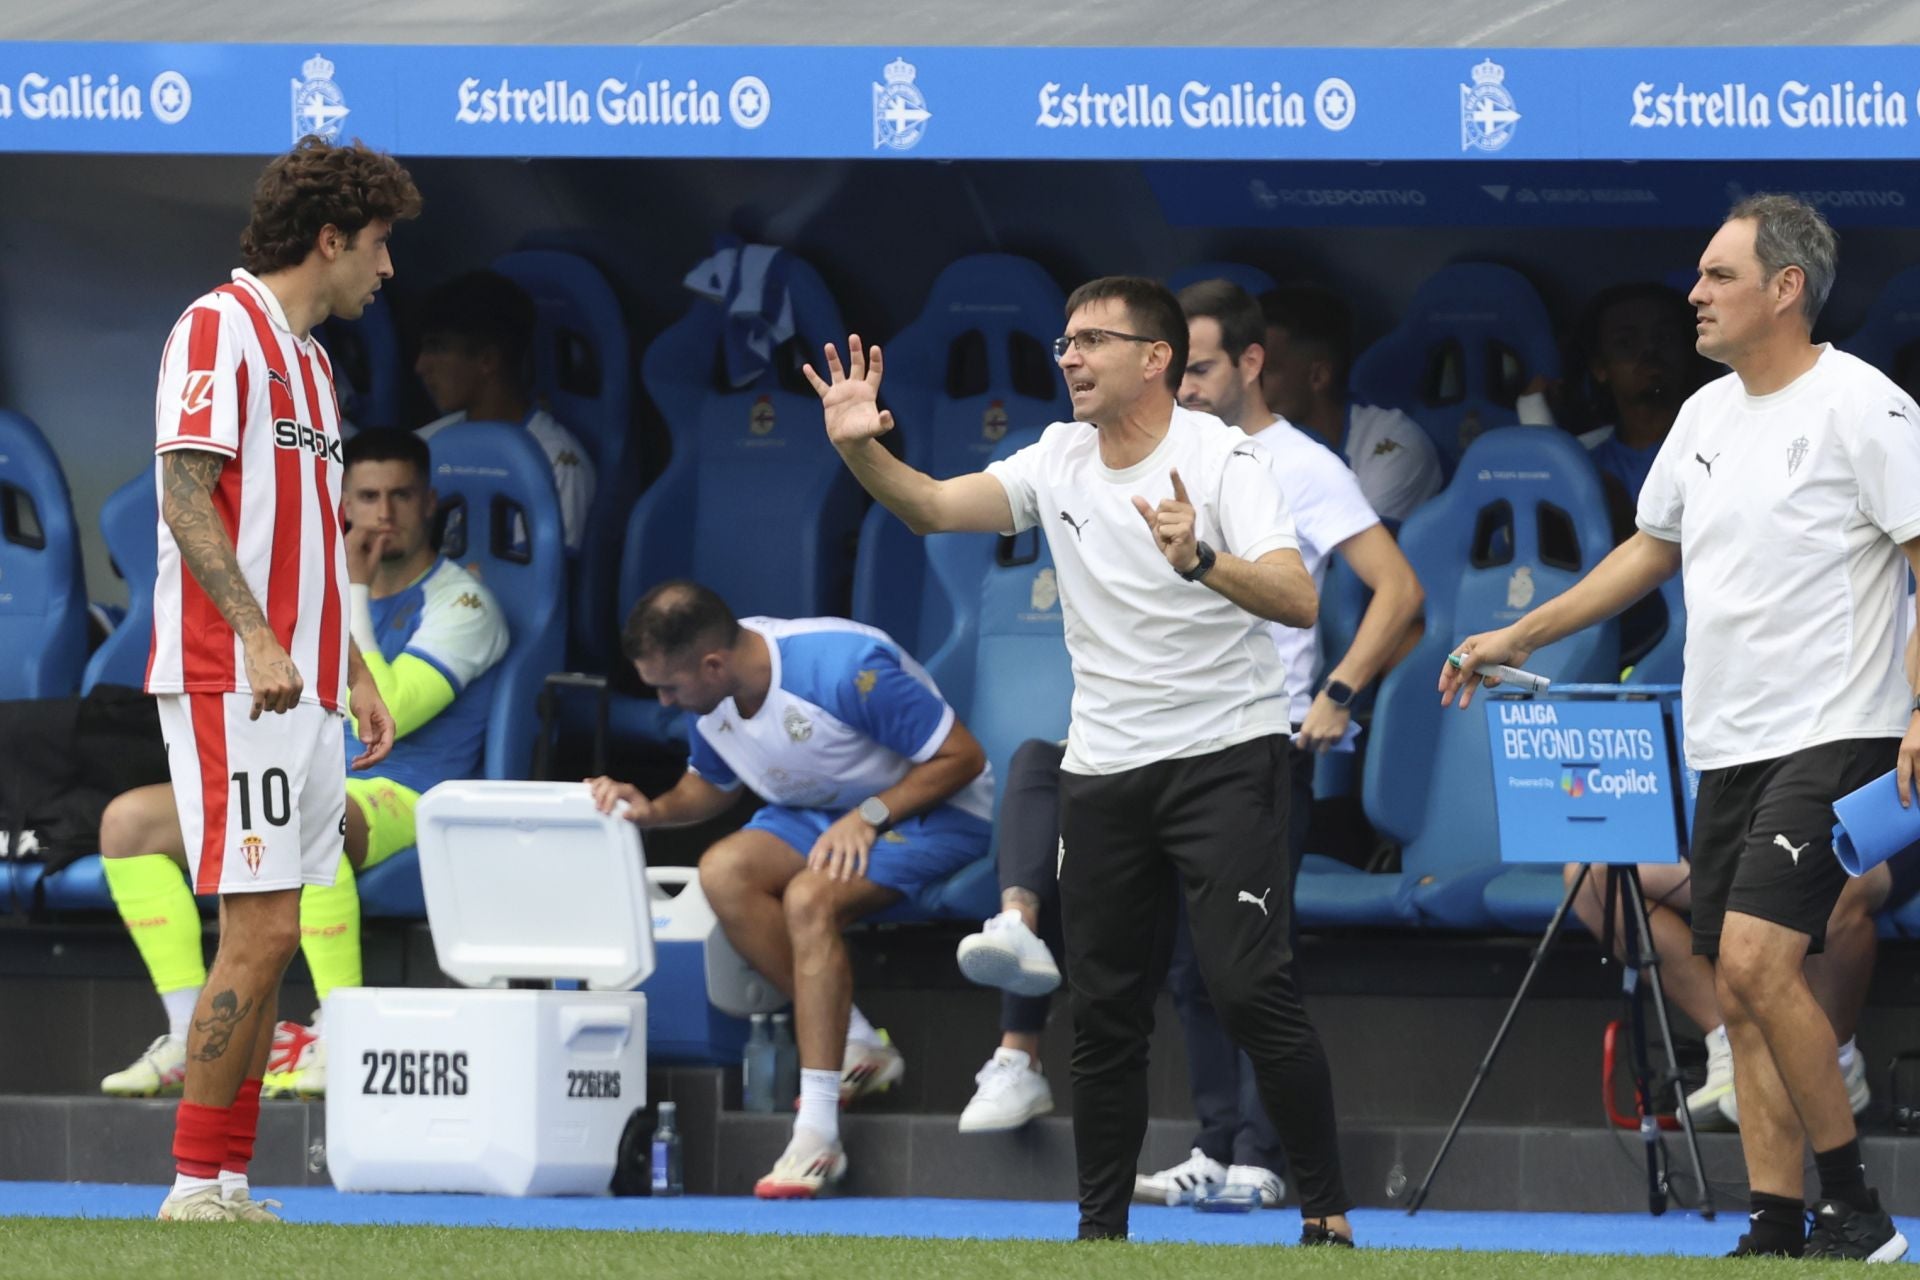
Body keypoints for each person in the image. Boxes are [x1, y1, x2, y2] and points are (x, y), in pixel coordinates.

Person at [810, 276, 1355, 1246]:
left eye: (1092, 340)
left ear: (1157, 360)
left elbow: (1296, 595)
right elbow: (933, 507)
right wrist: (861, 447)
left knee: (1246, 988)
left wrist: (1200, 562)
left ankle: (1327, 1214)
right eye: (1063, 340)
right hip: (1105, 772)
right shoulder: (1058, 456)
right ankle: (1099, 1233)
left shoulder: (1221, 458)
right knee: (1104, 1010)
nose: (1068, 356)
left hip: (1227, 757)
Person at [1443, 194, 1920, 1262]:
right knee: (1747, 1004)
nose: (1693, 296)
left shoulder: (1866, 406)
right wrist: (1521, 630)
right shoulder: (1705, 419)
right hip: (1727, 743)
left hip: (1838, 732)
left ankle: (1854, 1204)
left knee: (1752, 964)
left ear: (1785, 289)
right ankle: (1775, 1219)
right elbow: (1646, 553)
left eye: (1717, 276)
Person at [141, 136, 412, 1222]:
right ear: (331, 238)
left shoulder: (311, 364)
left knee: (284, 924)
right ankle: (189, 1181)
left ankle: (229, 1179)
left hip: (303, 684)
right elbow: (185, 494)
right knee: (253, 926)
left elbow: (309, 538)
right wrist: (256, 637)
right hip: (230, 676)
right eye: (381, 246)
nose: (386, 272)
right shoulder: (219, 327)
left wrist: (353, 667)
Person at [1113, 278, 1425, 1207]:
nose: (1190, 385)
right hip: (1174, 741)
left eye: (1202, 366)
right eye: (1178, 367)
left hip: (1265, 744)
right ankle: (1215, 1144)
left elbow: (1399, 592)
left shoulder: (1302, 464)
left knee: (1253, 955)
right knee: (1188, 962)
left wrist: (1337, 691)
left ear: (1252, 363)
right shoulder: (1162, 455)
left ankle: (1264, 1155)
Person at [100, 429, 508, 1102]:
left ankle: (342, 1031)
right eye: (368, 497)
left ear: (431, 502)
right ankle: (183, 1030)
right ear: (342, 504)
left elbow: (388, 709)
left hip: (413, 797)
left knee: (299, 817)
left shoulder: (464, 604)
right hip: (307, 777)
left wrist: (351, 590)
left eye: (401, 495)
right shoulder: (312, 597)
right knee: (127, 824)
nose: (383, 514)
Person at [585, 581, 993, 1200]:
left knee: (809, 897)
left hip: (936, 809)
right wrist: (654, 810)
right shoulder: (712, 694)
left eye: (669, 687)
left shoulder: (843, 669)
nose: (664, 703)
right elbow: (714, 785)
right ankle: (856, 1038)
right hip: (823, 814)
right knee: (723, 870)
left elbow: (962, 757)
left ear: (713, 665)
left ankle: (817, 1134)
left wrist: (872, 814)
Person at [1563, 855, 1903, 1131]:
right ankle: (1735, 1045)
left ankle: (1834, 1066)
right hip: (1749, 822)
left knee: (1825, 886)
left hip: (1881, 815)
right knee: (1594, 876)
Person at [414, 270, 596, 555]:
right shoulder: (427, 445)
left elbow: (539, 590)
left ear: (487, 360)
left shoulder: (556, 461)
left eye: (438, 348)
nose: (421, 366)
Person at [1257, 285, 1443, 523]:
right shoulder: (1238, 439)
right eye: (1244, 368)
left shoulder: (1395, 445)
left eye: (1266, 371)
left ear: (1318, 377)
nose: (1249, 383)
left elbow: (1354, 556)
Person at [1573, 282, 1713, 537]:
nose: (1650, 352)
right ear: (1600, 368)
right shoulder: (1581, 470)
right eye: (1626, 343)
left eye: (1664, 338)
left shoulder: (1719, 453)